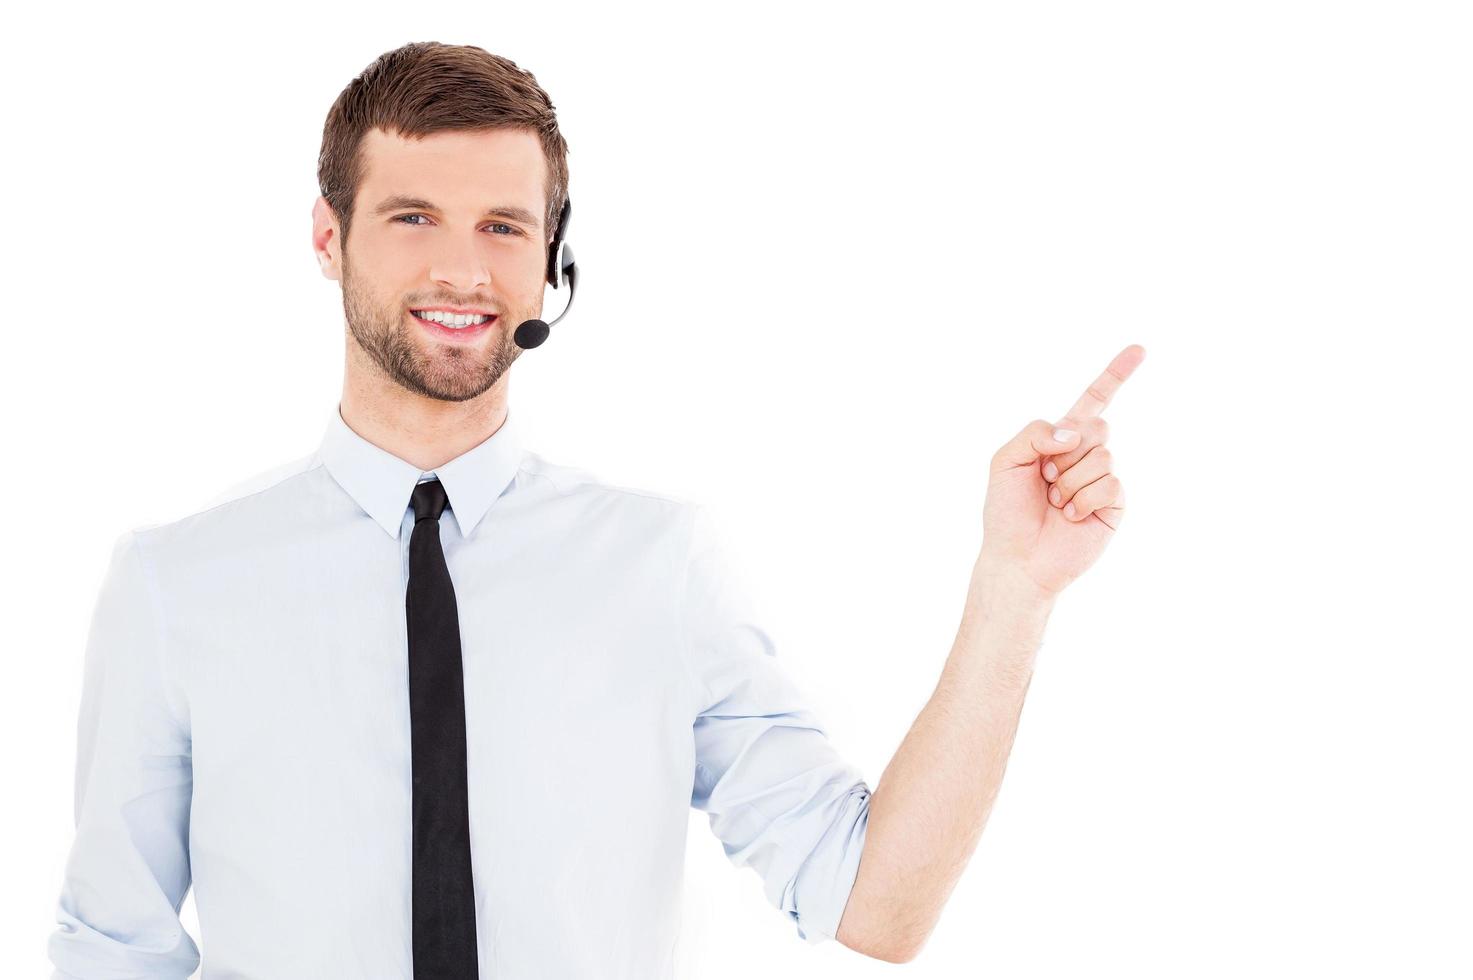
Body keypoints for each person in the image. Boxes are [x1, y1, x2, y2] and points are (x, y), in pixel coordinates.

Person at [47, 40, 1142, 979]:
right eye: (414, 216)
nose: (462, 269)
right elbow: (111, 948)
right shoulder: (174, 584)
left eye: (505, 227)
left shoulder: (658, 564)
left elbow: (873, 903)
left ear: (555, 257)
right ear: (329, 238)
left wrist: (1015, 590)